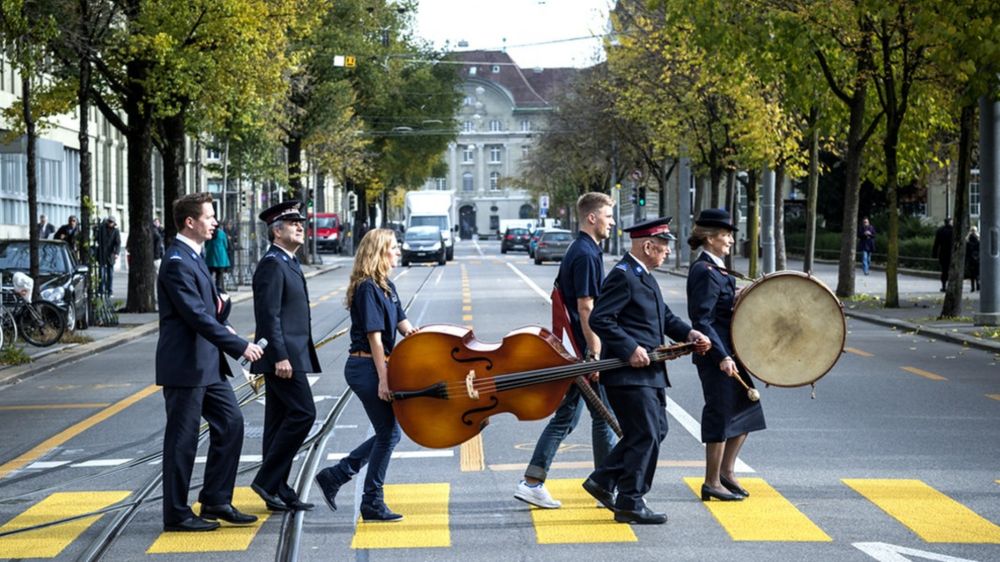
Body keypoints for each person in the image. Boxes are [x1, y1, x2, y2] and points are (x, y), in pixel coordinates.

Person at [583, 217, 711, 525]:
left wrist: (689, 333)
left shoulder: (644, 275)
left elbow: (662, 317)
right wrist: (629, 348)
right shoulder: (623, 275)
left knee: (656, 431)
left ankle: (603, 481)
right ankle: (630, 499)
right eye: (664, 245)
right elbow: (600, 318)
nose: (668, 252)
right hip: (629, 373)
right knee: (646, 433)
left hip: (648, 372)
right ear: (648, 245)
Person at [155, 193, 264, 532]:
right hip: (186, 366)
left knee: (231, 424)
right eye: (209, 216)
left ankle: (216, 498)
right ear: (190, 222)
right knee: (182, 442)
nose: (215, 221)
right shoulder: (176, 261)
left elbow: (208, 310)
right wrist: (239, 346)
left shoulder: (193, 256)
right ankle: (176, 513)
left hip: (207, 365)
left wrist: (224, 315)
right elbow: (197, 317)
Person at [515, 192, 617, 509]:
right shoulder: (586, 254)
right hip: (582, 349)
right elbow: (586, 307)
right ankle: (603, 485)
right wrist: (595, 351)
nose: (612, 223)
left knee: (569, 417)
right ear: (592, 217)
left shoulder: (581, 249)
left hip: (575, 347)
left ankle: (535, 480)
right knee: (603, 416)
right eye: (608, 216)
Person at [314, 229, 417, 522]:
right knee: (389, 434)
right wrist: (384, 380)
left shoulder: (387, 286)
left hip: (379, 365)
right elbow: (374, 338)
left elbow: (406, 328)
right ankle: (369, 500)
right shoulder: (367, 288)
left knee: (389, 433)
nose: (398, 251)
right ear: (379, 252)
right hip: (365, 367)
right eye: (393, 248)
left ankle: (337, 476)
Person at [686, 208, 766, 503]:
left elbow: (718, 308)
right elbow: (702, 320)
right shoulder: (704, 271)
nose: (731, 240)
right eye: (725, 235)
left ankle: (726, 472)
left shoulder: (716, 268)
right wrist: (720, 355)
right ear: (709, 237)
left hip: (729, 351)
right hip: (715, 354)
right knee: (720, 412)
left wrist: (736, 297)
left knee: (747, 407)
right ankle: (711, 481)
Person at [249, 201, 321, 512]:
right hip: (282, 358)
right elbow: (269, 316)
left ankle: (278, 487)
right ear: (277, 232)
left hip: (290, 355)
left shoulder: (288, 261)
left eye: (300, 222)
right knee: (304, 413)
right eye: (293, 223)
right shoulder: (272, 264)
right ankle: (267, 480)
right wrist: (279, 356)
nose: (300, 226)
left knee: (278, 422)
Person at [95, 216, 121, 296]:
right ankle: (101, 290)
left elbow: (118, 243)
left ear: (114, 223)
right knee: (101, 273)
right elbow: (96, 239)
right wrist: (96, 230)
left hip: (111, 254)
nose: (110, 223)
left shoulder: (116, 231)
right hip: (102, 253)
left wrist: (116, 253)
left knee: (110, 274)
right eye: (109, 221)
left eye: (111, 222)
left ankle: (109, 290)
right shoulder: (102, 229)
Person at [205, 226, 231, 293]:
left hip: (210, 258)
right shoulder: (222, 233)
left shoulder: (209, 232)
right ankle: (218, 290)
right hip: (220, 258)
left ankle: (208, 289)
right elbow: (226, 244)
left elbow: (206, 244)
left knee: (208, 275)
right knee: (219, 276)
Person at [932, 218, 953, 292]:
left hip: (943, 253)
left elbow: (936, 244)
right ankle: (952, 286)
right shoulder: (954, 230)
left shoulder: (940, 231)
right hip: (952, 253)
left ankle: (944, 286)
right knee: (952, 270)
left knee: (944, 271)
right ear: (950, 222)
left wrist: (934, 254)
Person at [966, 226, 980, 293]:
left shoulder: (968, 241)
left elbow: (967, 251)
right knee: (977, 273)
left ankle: (972, 288)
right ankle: (978, 285)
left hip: (970, 259)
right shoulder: (978, 240)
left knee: (972, 274)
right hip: (977, 259)